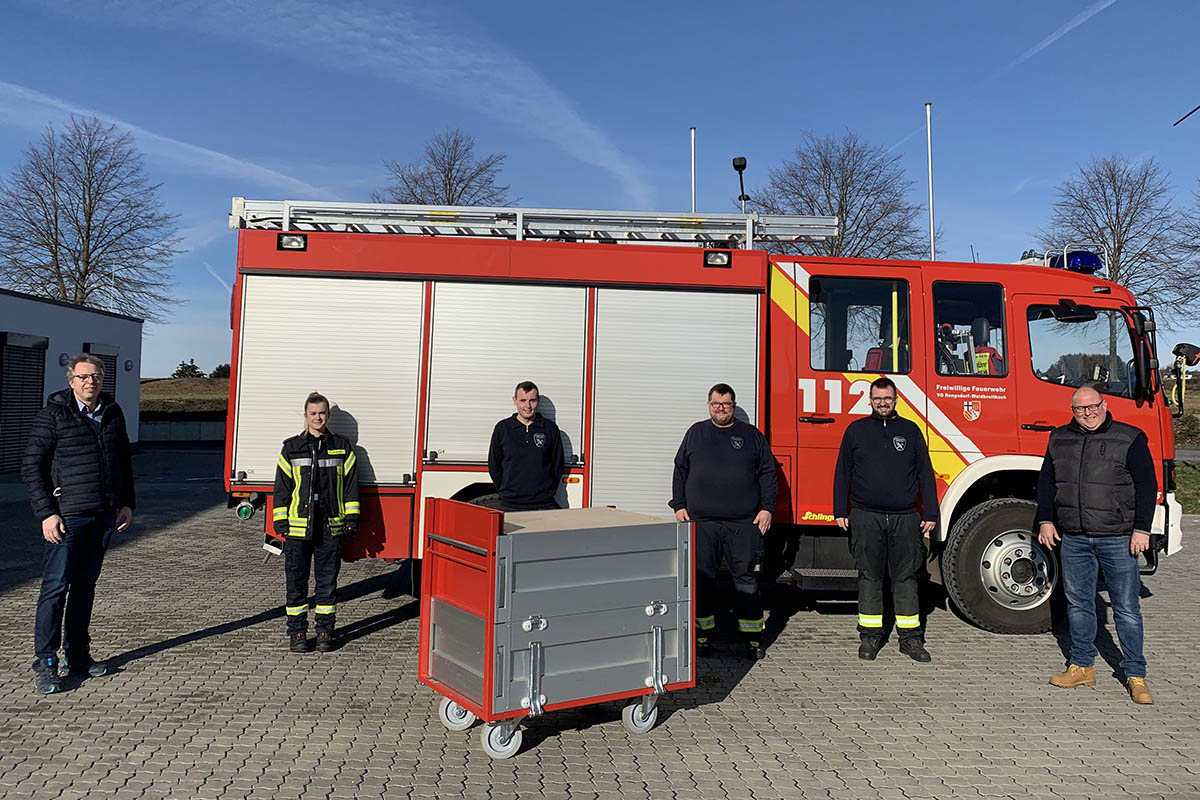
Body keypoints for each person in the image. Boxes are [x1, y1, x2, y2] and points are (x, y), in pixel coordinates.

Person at [22, 354, 135, 694]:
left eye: (96, 376)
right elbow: (31, 467)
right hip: (66, 518)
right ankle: (45, 662)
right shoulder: (54, 415)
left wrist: (127, 503)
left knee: (85, 589)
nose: (91, 382)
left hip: (103, 516)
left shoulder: (113, 414)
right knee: (56, 589)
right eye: (84, 376)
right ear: (71, 381)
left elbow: (123, 462)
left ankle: (79, 657)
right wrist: (47, 513)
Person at [1037, 385, 1156, 704]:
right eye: (1080, 409)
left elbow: (1147, 485)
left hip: (1118, 538)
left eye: (1093, 407)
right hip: (1074, 538)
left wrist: (1142, 528)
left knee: (1127, 608)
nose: (1087, 413)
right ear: (1072, 410)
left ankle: (1135, 674)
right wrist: (1046, 520)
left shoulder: (1129, 437)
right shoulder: (1059, 438)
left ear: (1104, 405)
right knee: (1078, 604)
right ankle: (1081, 666)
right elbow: (1047, 482)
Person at [833, 377, 937, 663]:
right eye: (877, 398)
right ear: (869, 400)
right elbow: (843, 471)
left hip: (905, 518)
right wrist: (840, 509)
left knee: (906, 578)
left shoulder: (911, 430)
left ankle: (910, 639)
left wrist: (931, 512)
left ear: (896, 399)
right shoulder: (856, 431)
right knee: (870, 577)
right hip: (866, 516)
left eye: (887, 398)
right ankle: (869, 638)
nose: (882, 403)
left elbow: (925, 474)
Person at [670, 383, 777, 660]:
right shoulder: (696, 432)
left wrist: (767, 509)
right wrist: (679, 505)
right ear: (709, 406)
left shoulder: (751, 436)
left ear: (734, 406)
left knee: (746, 581)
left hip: (743, 523)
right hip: (703, 522)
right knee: (703, 580)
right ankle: (702, 637)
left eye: (726, 404)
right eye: (716, 404)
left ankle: (752, 639)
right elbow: (680, 469)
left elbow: (768, 473)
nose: (721, 408)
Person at [273, 392, 359, 653]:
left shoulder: (342, 447)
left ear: (327, 416)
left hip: (330, 526)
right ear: (306, 416)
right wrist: (280, 521)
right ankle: (297, 633)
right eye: (313, 413)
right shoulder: (291, 447)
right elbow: (282, 489)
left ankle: (325, 631)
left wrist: (352, 518)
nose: (318, 417)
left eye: (322, 412)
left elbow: (351, 488)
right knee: (296, 583)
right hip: (298, 529)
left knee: (327, 584)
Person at [487, 381, 565, 512]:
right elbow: (494, 464)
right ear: (514, 400)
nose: (527, 406)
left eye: (532, 400)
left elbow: (557, 464)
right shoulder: (503, 428)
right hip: (510, 504)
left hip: (543, 505)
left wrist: (547, 492)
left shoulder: (550, 429)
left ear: (538, 401)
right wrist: (505, 490)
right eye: (522, 400)